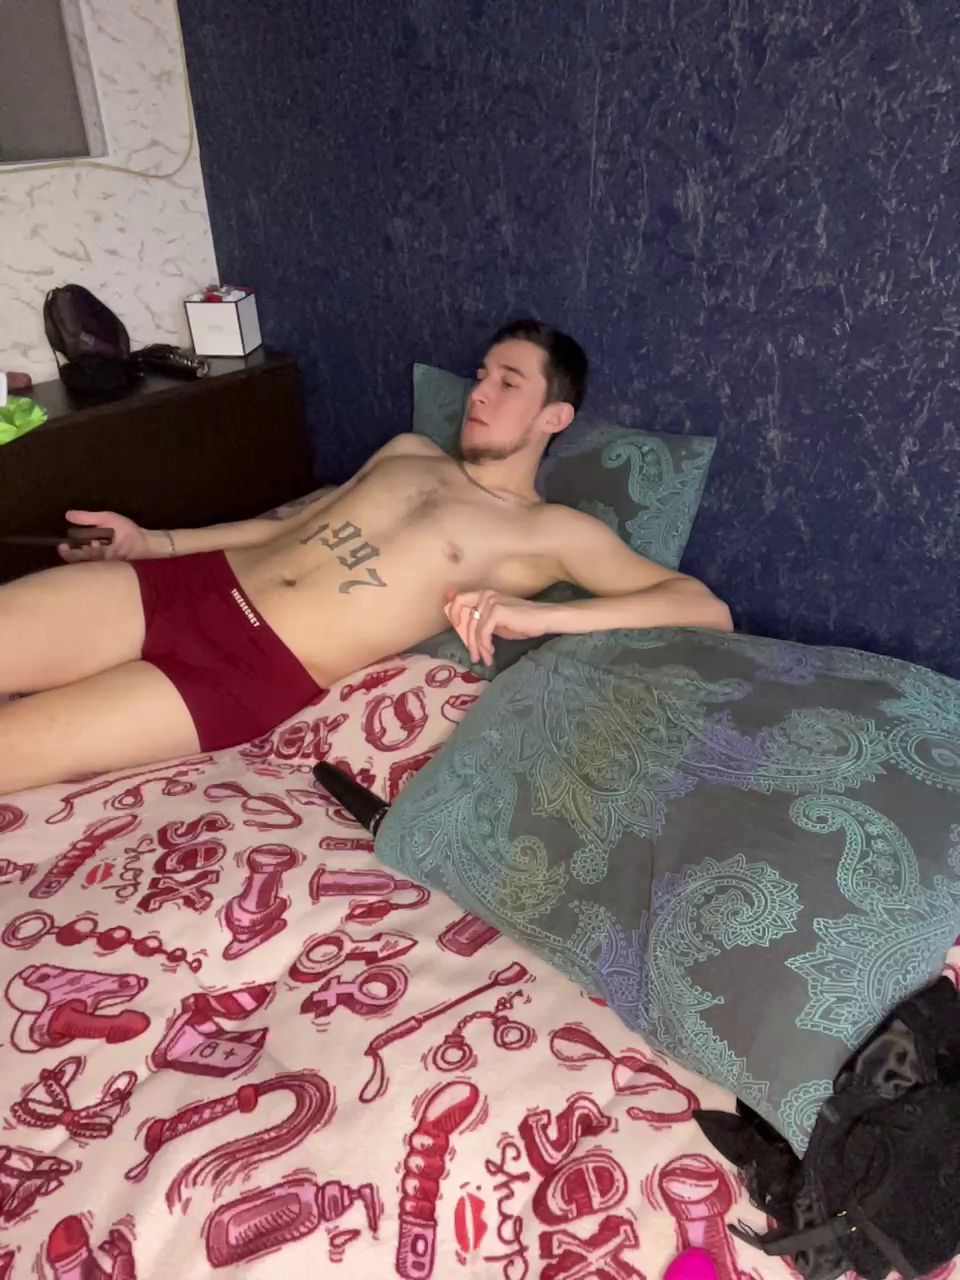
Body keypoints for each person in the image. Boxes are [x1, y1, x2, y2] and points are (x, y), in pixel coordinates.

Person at [0, 318, 731, 794]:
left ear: (555, 416)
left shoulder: (552, 533)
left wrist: (539, 616)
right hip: (189, 585)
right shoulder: (408, 451)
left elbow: (703, 607)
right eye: (481, 376)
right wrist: (154, 543)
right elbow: (293, 524)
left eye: (508, 383)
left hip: (245, 673)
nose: (479, 394)